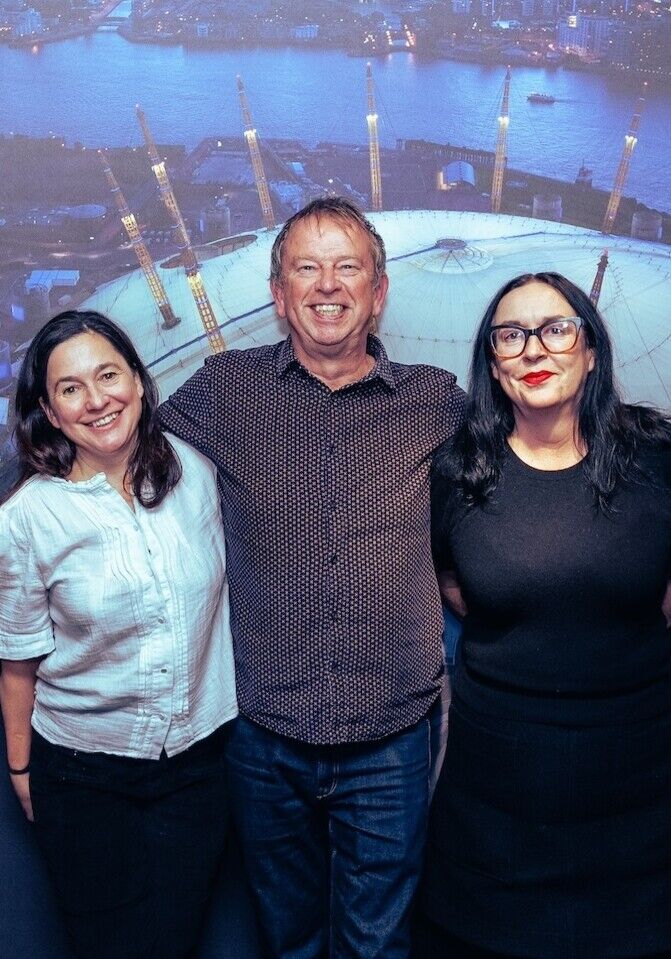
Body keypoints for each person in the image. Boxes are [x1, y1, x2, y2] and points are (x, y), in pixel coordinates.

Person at [159, 196, 465, 958]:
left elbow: (515, 480)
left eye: (347, 267)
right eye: (306, 268)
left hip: (391, 733)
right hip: (264, 736)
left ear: (377, 291)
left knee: (378, 944)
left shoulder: (435, 400)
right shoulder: (224, 389)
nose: (327, 285)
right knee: (286, 941)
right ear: (278, 292)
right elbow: (123, 462)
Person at [419, 272, 671, 959]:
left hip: (639, 792)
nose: (533, 349)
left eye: (555, 329)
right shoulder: (457, 471)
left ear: (590, 350)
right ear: (494, 364)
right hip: (496, 801)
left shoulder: (657, 457)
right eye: (511, 335)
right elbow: (451, 580)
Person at [0, 310, 237, 959]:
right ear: (49, 411)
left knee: (177, 940)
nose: (96, 399)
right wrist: (21, 771)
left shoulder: (197, 473)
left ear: (136, 379)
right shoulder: (26, 519)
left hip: (197, 770)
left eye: (108, 375)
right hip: (84, 777)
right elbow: (17, 665)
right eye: (70, 388)